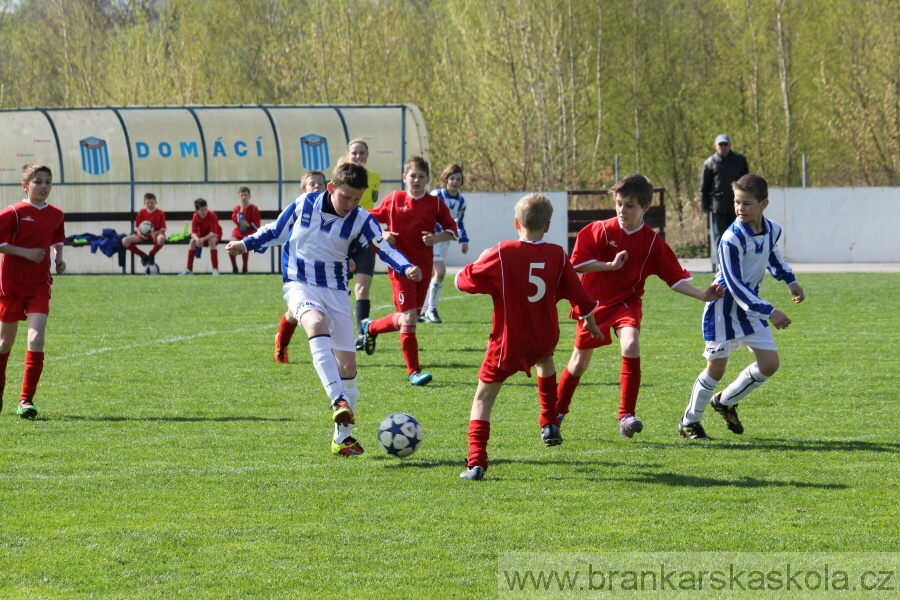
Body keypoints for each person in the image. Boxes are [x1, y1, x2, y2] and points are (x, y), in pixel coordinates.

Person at [226, 162, 420, 456]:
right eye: (346, 197)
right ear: (331, 188)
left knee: (348, 367)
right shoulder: (305, 204)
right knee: (315, 323)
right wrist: (245, 244)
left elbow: (383, 247)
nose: (350, 204)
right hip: (299, 284)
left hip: (336, 291)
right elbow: (276, 231)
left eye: (357, 198)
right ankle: (338, 400)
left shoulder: (361, 219)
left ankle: (343, 438)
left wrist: (406, 267)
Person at [556, 173, 724, 438]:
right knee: (578, 364)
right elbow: (576, 264)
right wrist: (610, 265)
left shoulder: (652, 242)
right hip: (593, 305)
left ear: (645, 207)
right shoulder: (599, 230)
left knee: (632, 344)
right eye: (619, 203)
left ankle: (626, 415)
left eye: (629, 205)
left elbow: (674, 278)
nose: (622, 210)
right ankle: (556, 413)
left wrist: (702, 295)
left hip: (627, 302)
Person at [455, 193, 602, 481]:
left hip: (508, 341)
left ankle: (476, 461)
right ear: (547, 226)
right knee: (545, 361)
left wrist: (480, 259)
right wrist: (591, 322)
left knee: (483, 399)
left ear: (516, 222)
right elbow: (581, 297)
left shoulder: (502, 251)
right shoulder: (557, 254)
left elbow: (462, 282)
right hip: (543, 336)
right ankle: (549, 421)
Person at [679, 174, 805, 441]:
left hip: (750, 307)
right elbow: (734, 285)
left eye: (747, 203)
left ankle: (724, 401)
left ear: (763, 204)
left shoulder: (772, 229)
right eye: (737, 202)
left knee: (769, 364)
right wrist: (771, 311)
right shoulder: (730, 239)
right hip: (723, 307)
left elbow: (772, 254)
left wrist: (790, 280)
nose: (740, 208)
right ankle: (689, 422)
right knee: (717, 368)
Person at [359, 155, 458, 386]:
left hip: (424, 268)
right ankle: (414, 371)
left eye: (421, 176)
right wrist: (382, 234)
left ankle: (371, 327)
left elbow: (452, 230)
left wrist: (436, 238)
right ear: (404, 177)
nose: (416, 180)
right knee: (410, 318)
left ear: (428, 180)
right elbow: (366, 218)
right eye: (413, 175)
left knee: (407, 317)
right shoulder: (394, 199)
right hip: (400, 267)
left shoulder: (435, 204)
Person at [0, 163, 66, 419]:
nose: (44, 186)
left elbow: (57, 236)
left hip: (39, 284)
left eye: (48, 181)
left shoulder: (56, 214)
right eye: (38, 181)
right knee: (4, 343)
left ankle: (25, 399)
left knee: (36, 339)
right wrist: (25, 252)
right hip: (11, 285)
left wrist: (59, 257)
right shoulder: (14, 212)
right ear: (25, 186)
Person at [274, 170, 327, 364]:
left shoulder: (334, 211)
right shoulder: (298, 209)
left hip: (328, 272)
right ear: (304, 190)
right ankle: (282, 341)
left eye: (320, 183)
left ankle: (332, 355)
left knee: (329, 314)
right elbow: (279, 231)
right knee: (294, 314)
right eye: (312, 184)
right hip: (301, 272)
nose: (316, 186)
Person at [341, 139, 382, 350]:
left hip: (365, 239)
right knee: (339, 290)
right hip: (342, 240)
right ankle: (338, 333)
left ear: (367, 155)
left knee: (362, 288)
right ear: (348, 154)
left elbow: (371, 208)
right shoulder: (340, 176)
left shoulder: (375, 178)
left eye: (362, 153)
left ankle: (361, 335)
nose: (358, 156)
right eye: (355, 152)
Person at [420, 163, 469, 324]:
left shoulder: (461, 202)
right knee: (440, 272)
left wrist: (464, 239)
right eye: (452, 178)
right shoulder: (437, 195)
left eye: (458, 179)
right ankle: (431, 310)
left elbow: (459, 222)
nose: (455, 182)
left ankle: (422, 310)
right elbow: (427, 214)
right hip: (432, 238)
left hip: (445, 241)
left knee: (432, 275)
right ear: (445, 180)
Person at [700, 134, 749, 269]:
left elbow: (747, 182)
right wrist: (705, 206)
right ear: (715, 146)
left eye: (725, 144)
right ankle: (722, 265)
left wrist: (747, 202)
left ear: (730, 145)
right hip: (718, 206)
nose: (723, 147)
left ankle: (738, 263)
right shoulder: (710, 163)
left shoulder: (739, 160)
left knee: (738, 235)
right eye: (720, 144)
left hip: (737, 205)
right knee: (720, 236)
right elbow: (704, 187)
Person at [121, 192, 166, 270]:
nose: (150, 204)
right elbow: (137, 228)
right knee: (124, 241)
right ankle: (143, 256)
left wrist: (156, 232)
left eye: (152, 202)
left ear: (156, 202)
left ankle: (151, 254)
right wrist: (140, 234)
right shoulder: (141, 212)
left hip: (155, 235)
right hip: (142, 235)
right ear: (144, 203)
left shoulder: (160, 213)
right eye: (148, 203)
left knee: (162, 238)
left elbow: (163, 229)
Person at [180, 198, 222, 275]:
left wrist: (202, 239)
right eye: (202, 210)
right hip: (202, 235)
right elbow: (193, 232)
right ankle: (189, 270)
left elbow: (213, 233)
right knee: (192, 241)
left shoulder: (212, 215)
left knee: (212, 241)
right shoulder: (195, 216)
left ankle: (215, 269)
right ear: (197, 210)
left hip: (215, 234)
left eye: (206, 209)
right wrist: (197, 240)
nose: (204, 212)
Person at [229, 186, 261, 274]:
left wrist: (249, 224)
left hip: (250, 231)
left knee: (244, 242)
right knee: (231, 243)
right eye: (242, 195)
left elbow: (257, 225)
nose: (244, 197)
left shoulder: (254, 208)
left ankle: (245, 268)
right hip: (239, 230)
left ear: (249, 196)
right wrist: (241, 211)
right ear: (239, 197)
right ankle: (234, 268)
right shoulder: (236, 209)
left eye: (245, 195)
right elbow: (235, 219)